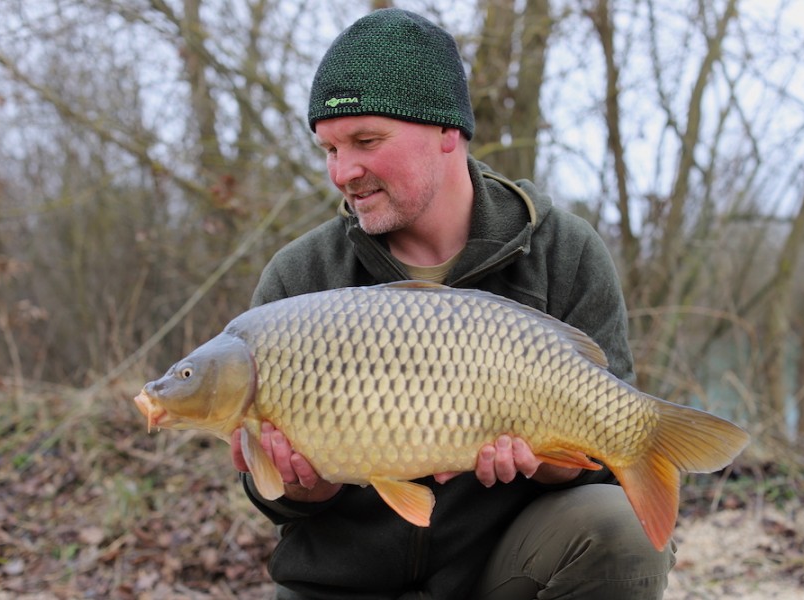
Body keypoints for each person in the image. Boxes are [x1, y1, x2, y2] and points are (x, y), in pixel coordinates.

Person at [231, 8, 675, 599]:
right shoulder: (302, 276)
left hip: (498, 573)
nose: (344, 172)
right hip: (342, 584)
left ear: (448, 133)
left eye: (366, 141)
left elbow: (599, 464)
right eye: (330, 149)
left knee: (618, 530)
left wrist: (548, 459)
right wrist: (304, 486)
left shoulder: (562, 251)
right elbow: (276, 504)